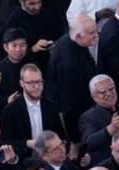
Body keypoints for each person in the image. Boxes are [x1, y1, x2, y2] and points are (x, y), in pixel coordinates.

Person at [47, 14, 102, 142]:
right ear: (78, 36)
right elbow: (70, 103)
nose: (96, 35)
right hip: (74, 114)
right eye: (91, 33)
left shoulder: (75, 42)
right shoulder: (68, 63)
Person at [1, 65, 64, 155]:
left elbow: (60, 135)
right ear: (22, 83)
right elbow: (5, 142)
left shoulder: (51, 107)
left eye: (39, 81)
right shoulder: (10, 110)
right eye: (31, 82)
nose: (37, 86)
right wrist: (27, 143)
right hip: (23, 160)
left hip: (49, 157)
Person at [79, 75, 119, 165]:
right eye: (103, 92)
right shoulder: (88, 117)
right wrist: (111, 129)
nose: (109, 94)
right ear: (93, 96)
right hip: (107, 165)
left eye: (111, 89)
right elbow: (88, 143)